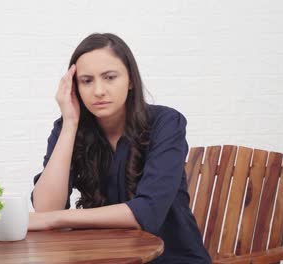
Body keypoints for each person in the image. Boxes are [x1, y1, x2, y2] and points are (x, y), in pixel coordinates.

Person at [29, 33, 211, 263]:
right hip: (105, 258)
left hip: (171, 258)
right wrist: (70, 124)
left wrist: (58, 219)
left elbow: (148, 211)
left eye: (110, 77)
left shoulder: (166, 123)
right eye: (86, 81)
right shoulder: (69, 128)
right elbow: (46, 209)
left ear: (131, 80)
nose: (98, 91)